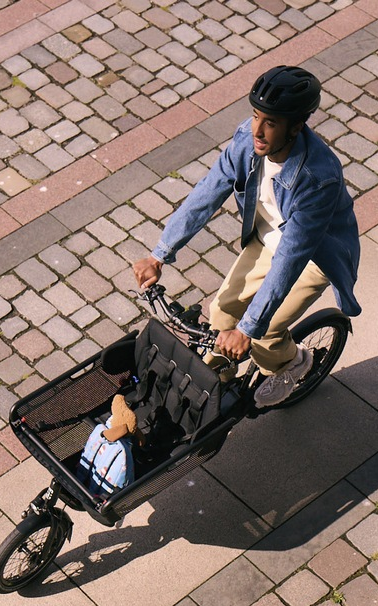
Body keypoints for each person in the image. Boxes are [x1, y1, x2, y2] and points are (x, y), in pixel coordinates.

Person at [133, 65, 362, 407]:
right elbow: (206, 194)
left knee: (264, 335)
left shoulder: (318, 179)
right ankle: (218, 391)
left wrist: (249, 329)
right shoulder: (247, 141)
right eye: (256, 116)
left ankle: (293, 363)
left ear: (296, 127)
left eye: (271, 122)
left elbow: (291, 258)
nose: (258, 130)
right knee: (221, 311)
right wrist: (158, 255)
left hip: (313, 258)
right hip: (268, 238)